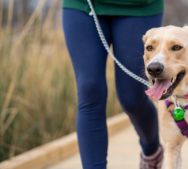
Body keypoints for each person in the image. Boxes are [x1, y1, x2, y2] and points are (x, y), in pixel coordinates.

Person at [62, 0, 164, 168]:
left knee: (133, 98)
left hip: (139, 7)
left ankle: (152, 151)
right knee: (89, 90)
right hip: (83, 5)